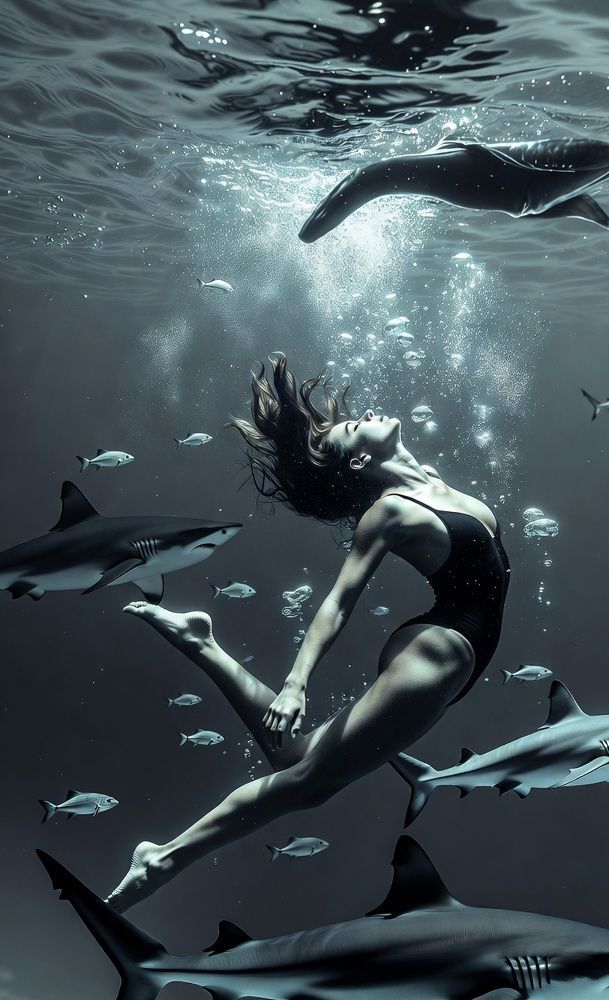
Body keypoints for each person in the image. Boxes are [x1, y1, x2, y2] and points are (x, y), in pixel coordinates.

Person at [107, 355, 510, 911]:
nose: (363, 411)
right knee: (309, 785)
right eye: (350, 427)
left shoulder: (437, 486)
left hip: (454, 653)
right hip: (436, 653)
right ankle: (162, 859)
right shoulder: (390, 512)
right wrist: (297, 682)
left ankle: (201, 642)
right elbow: (339, 601)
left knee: (293, 756)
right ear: (362, 458)